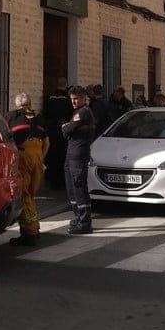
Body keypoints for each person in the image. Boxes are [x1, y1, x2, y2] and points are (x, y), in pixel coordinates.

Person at [6, 93, 49, 246]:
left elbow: (6, 138)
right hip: (37, 156)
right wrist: (40, 159)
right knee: (31, 193)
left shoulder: (12, 116)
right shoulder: (38, 117)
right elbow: (47, 142)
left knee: (23, 194)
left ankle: (29, 232)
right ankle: (34, 227)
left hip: (23, 156)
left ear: (18, 105)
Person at [62, 85, 97, 234]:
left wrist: (67, 127)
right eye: (72, 99)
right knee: (72, 189)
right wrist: (69, 128)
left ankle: (84, 222)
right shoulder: (77, 112)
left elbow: (67, 130)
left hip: (78, 155)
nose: (74, 102)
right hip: (71, 154)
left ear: (84, 98)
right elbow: (69, 130)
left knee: (79, 187)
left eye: (76, 98)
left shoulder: (83, 112)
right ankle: (78, 217)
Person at [42, 77, 72, 189]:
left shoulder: (49, 97)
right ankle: (62, 181)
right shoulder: (68, 99)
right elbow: (70, 115)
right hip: (63, 131)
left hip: (51, 131)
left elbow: (45, 114)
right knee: (62, 156)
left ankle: (52, 181)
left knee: (52, 155)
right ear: (66, 85)